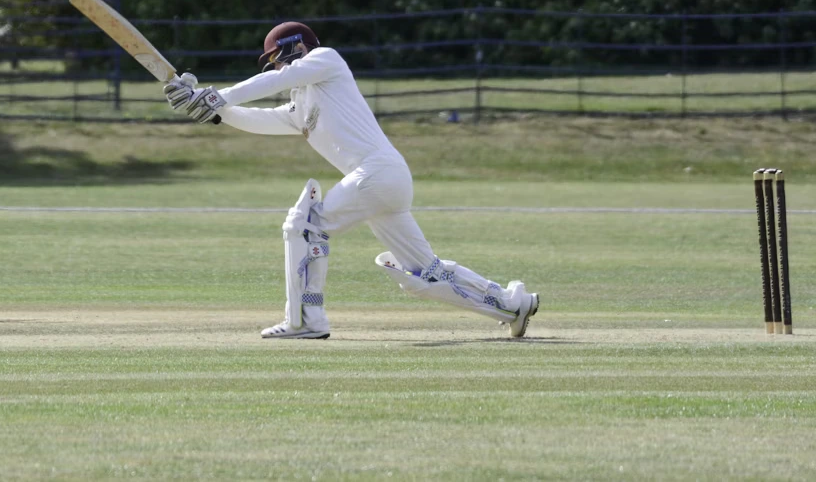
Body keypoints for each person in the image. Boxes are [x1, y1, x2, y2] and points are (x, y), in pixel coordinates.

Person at [164, 21, 539, 340]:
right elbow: (255, 119)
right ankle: (511, 304)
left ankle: (307, 320)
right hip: (383, 180)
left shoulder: (326, 59)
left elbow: (283, 77)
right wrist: (213, 109)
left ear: (293, 48)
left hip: (377, 173)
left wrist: (213, 95)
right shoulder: (300, 106)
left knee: (305, 225)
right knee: (426, 273)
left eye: (276, 59)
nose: (276, 68)